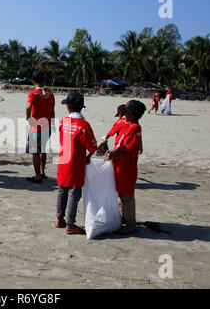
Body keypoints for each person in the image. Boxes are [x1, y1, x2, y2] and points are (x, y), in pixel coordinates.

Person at [55, 93, 98, 235]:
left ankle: (59, 219)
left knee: (62, 190)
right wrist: (88, 157)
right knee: (74, 193)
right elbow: (92, 147)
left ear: (68, 107)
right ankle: (70, 224)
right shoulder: (84, 125)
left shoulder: (63, 122)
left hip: (63, 162)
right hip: (75, 164)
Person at [105, 100, 146, 234]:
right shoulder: (129, 125)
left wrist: (113, 154)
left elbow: (124, 147)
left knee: (127, 195)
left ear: (133, 114)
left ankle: (130, 223)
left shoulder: (134, 128)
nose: (124, 114)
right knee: (120, 193)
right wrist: (112, 152)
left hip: (126, 168)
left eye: (126, 112)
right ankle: (123, 217)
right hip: (121, 166)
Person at [26, 70, 55, 184]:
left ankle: (37, 176)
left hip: (36, 127)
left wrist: (28, 118)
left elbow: (28, 107)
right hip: (47, 125)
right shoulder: (50, 94)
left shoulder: (33, 94)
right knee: (43, 149)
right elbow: (52, 111)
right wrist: (52, 124)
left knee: (35, 152)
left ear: (33, 81)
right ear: (44, 80)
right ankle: (42, 172)